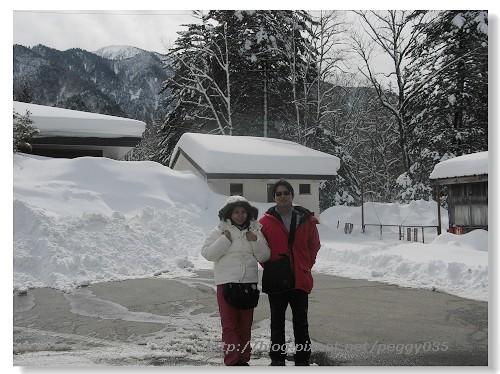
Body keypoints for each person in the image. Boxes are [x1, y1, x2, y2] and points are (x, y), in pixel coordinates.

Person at [202, 195, 270, 366]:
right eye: (236, 212)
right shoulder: (219, 231)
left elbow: (265, 255)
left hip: (248, 284)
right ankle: (232, 362)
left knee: (246, 326)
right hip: (227, 284)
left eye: (243, 212)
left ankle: (244, 359)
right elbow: (208, 254)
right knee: (229, 326)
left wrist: (255, 241)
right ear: (229, 214)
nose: (240, 215)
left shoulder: (255, 231)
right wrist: (225, 239)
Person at [259, 180, 321, 366]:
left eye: (286, 193)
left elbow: (314, 245)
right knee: (276, 322)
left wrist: (305, 265)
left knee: (301, 323)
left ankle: (303, 359)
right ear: (274, 197)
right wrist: (270, 266)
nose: (283, 196)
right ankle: (277, 359)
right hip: (277, 279)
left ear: (292, 195)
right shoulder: (264, 222)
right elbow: (261, 249)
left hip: (299, 278)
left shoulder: (306, 219)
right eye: (279, 193)